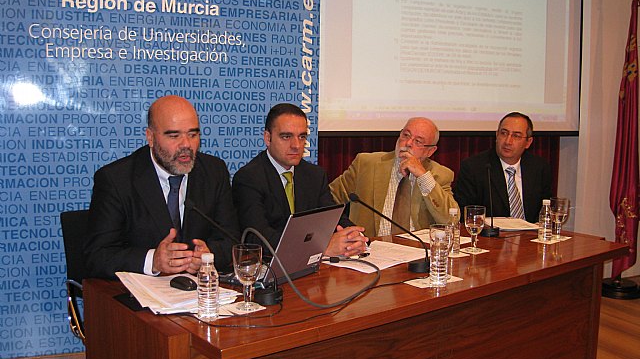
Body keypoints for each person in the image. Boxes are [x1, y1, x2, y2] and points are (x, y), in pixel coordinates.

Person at [84, 95, 239, 279]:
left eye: (193, 134)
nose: (186, 145)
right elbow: (97, 256)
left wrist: (208, 256)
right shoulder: (116, 180)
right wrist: (153, 260)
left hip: (198, 293)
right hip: (142, 296)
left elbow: (230, 239)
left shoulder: (214, 171)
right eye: (174, 135)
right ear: (150, 137)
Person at [232, 103, 368, 257]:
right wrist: (321, 249)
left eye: (302, 137)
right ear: (268, 138)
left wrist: (354, 237)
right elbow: (258, 237)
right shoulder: (249, 178)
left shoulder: (314, 175)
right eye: (286, 136)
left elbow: (332, 217)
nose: (296, 145)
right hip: (272, 267)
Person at [329, 117, 458, 237]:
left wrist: (422, 175)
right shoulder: (366, 164)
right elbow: (328, 199)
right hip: (372, 249)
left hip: (417, 252)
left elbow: (450, 219)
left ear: (430, 151)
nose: (408, 143)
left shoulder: (439, 174)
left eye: (418, 141)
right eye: (406, 135)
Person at [454, 111, 552, 223]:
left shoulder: (539, 167)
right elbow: (466, 215)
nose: (508, 141)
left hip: (530, 236)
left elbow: (545, 211)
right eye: (504, 133)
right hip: (492, 237)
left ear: (528, 142)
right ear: (496, 135)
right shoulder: (474, 167)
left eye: (516, 136)